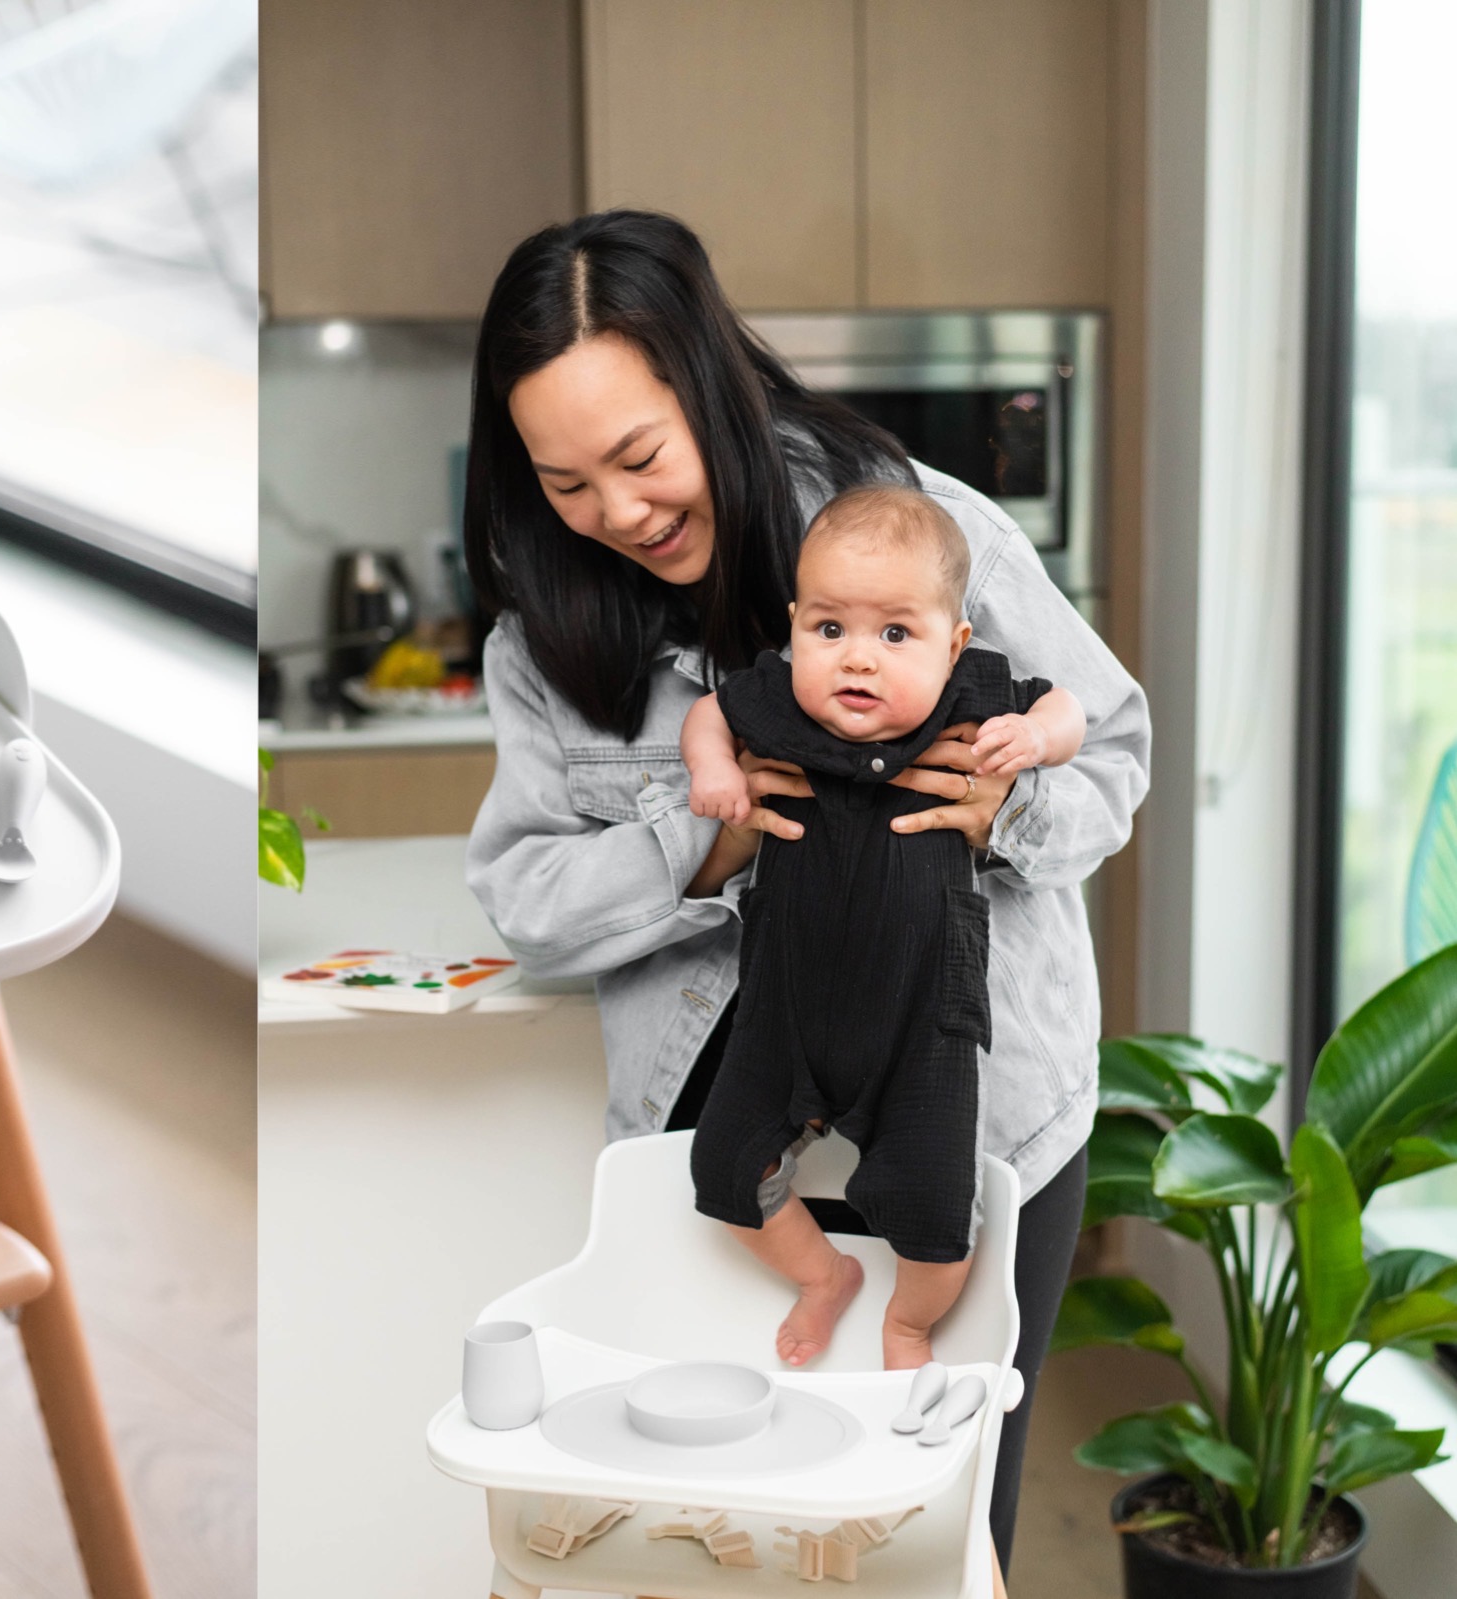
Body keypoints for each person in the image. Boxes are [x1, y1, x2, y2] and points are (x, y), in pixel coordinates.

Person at [461, 211, 1148, 1571]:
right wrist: (702, 843)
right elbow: (524, 896)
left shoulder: (931, 532)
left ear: (708, 390)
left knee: (930, 1529)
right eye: (563, 481)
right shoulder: (544, 642)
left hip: (982, 1106)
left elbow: (1111, 745)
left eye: (638, 457)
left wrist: (999, 803)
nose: (616, 512)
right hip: (724, 1135)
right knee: (732, 1538)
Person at [679, 484, 1085, 1371]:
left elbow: (1071, 708)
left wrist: (1033, 736)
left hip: (924, 1022)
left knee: (938, 1217)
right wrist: (712, 767)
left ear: (954, 644)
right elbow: (710, 713)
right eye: (828, 630)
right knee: (721, 1172)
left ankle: (907, 1323)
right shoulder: (777, 703)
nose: (856, 660)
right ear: (794, 626)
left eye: (894, 634)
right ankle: (822, 1277)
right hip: (781, 1014)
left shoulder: (968, 700)